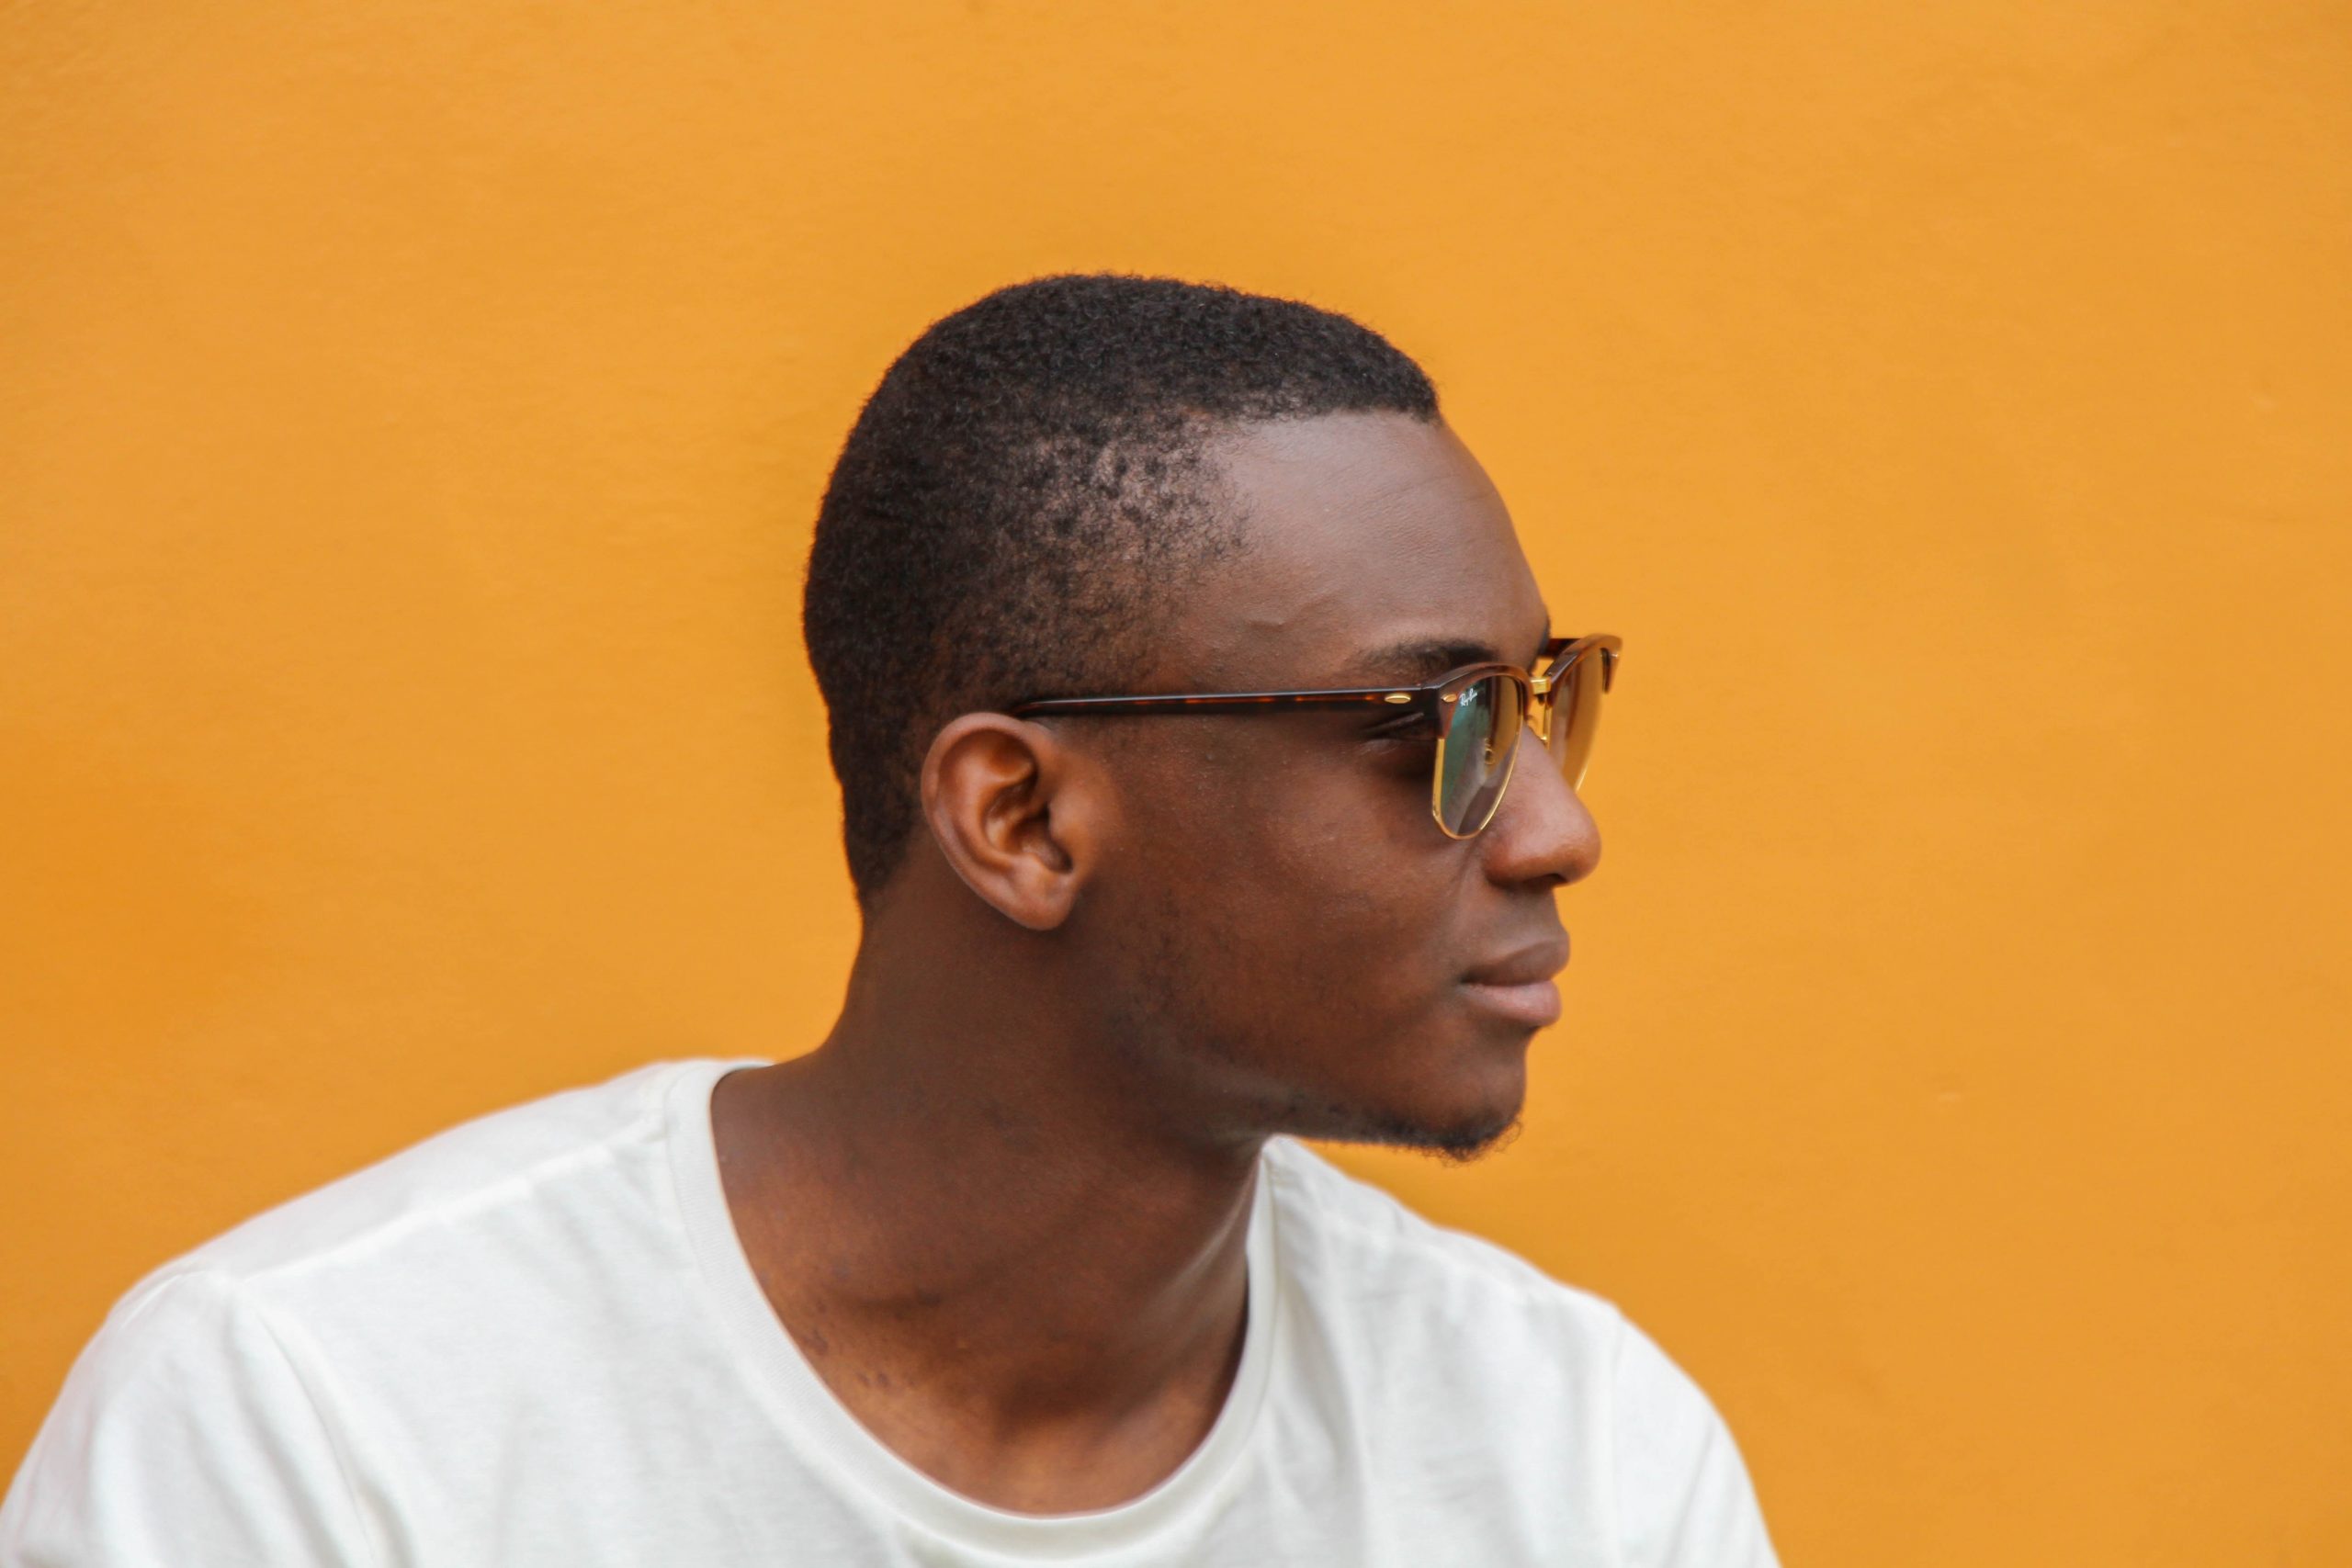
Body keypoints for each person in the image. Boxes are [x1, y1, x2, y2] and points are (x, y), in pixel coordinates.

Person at [1, 275, 1780, 1565]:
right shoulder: (325, 1414)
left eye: (1545, 705)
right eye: (1431, 728)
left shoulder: (1564, 1452)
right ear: (1018, 815)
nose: (1555, 827)